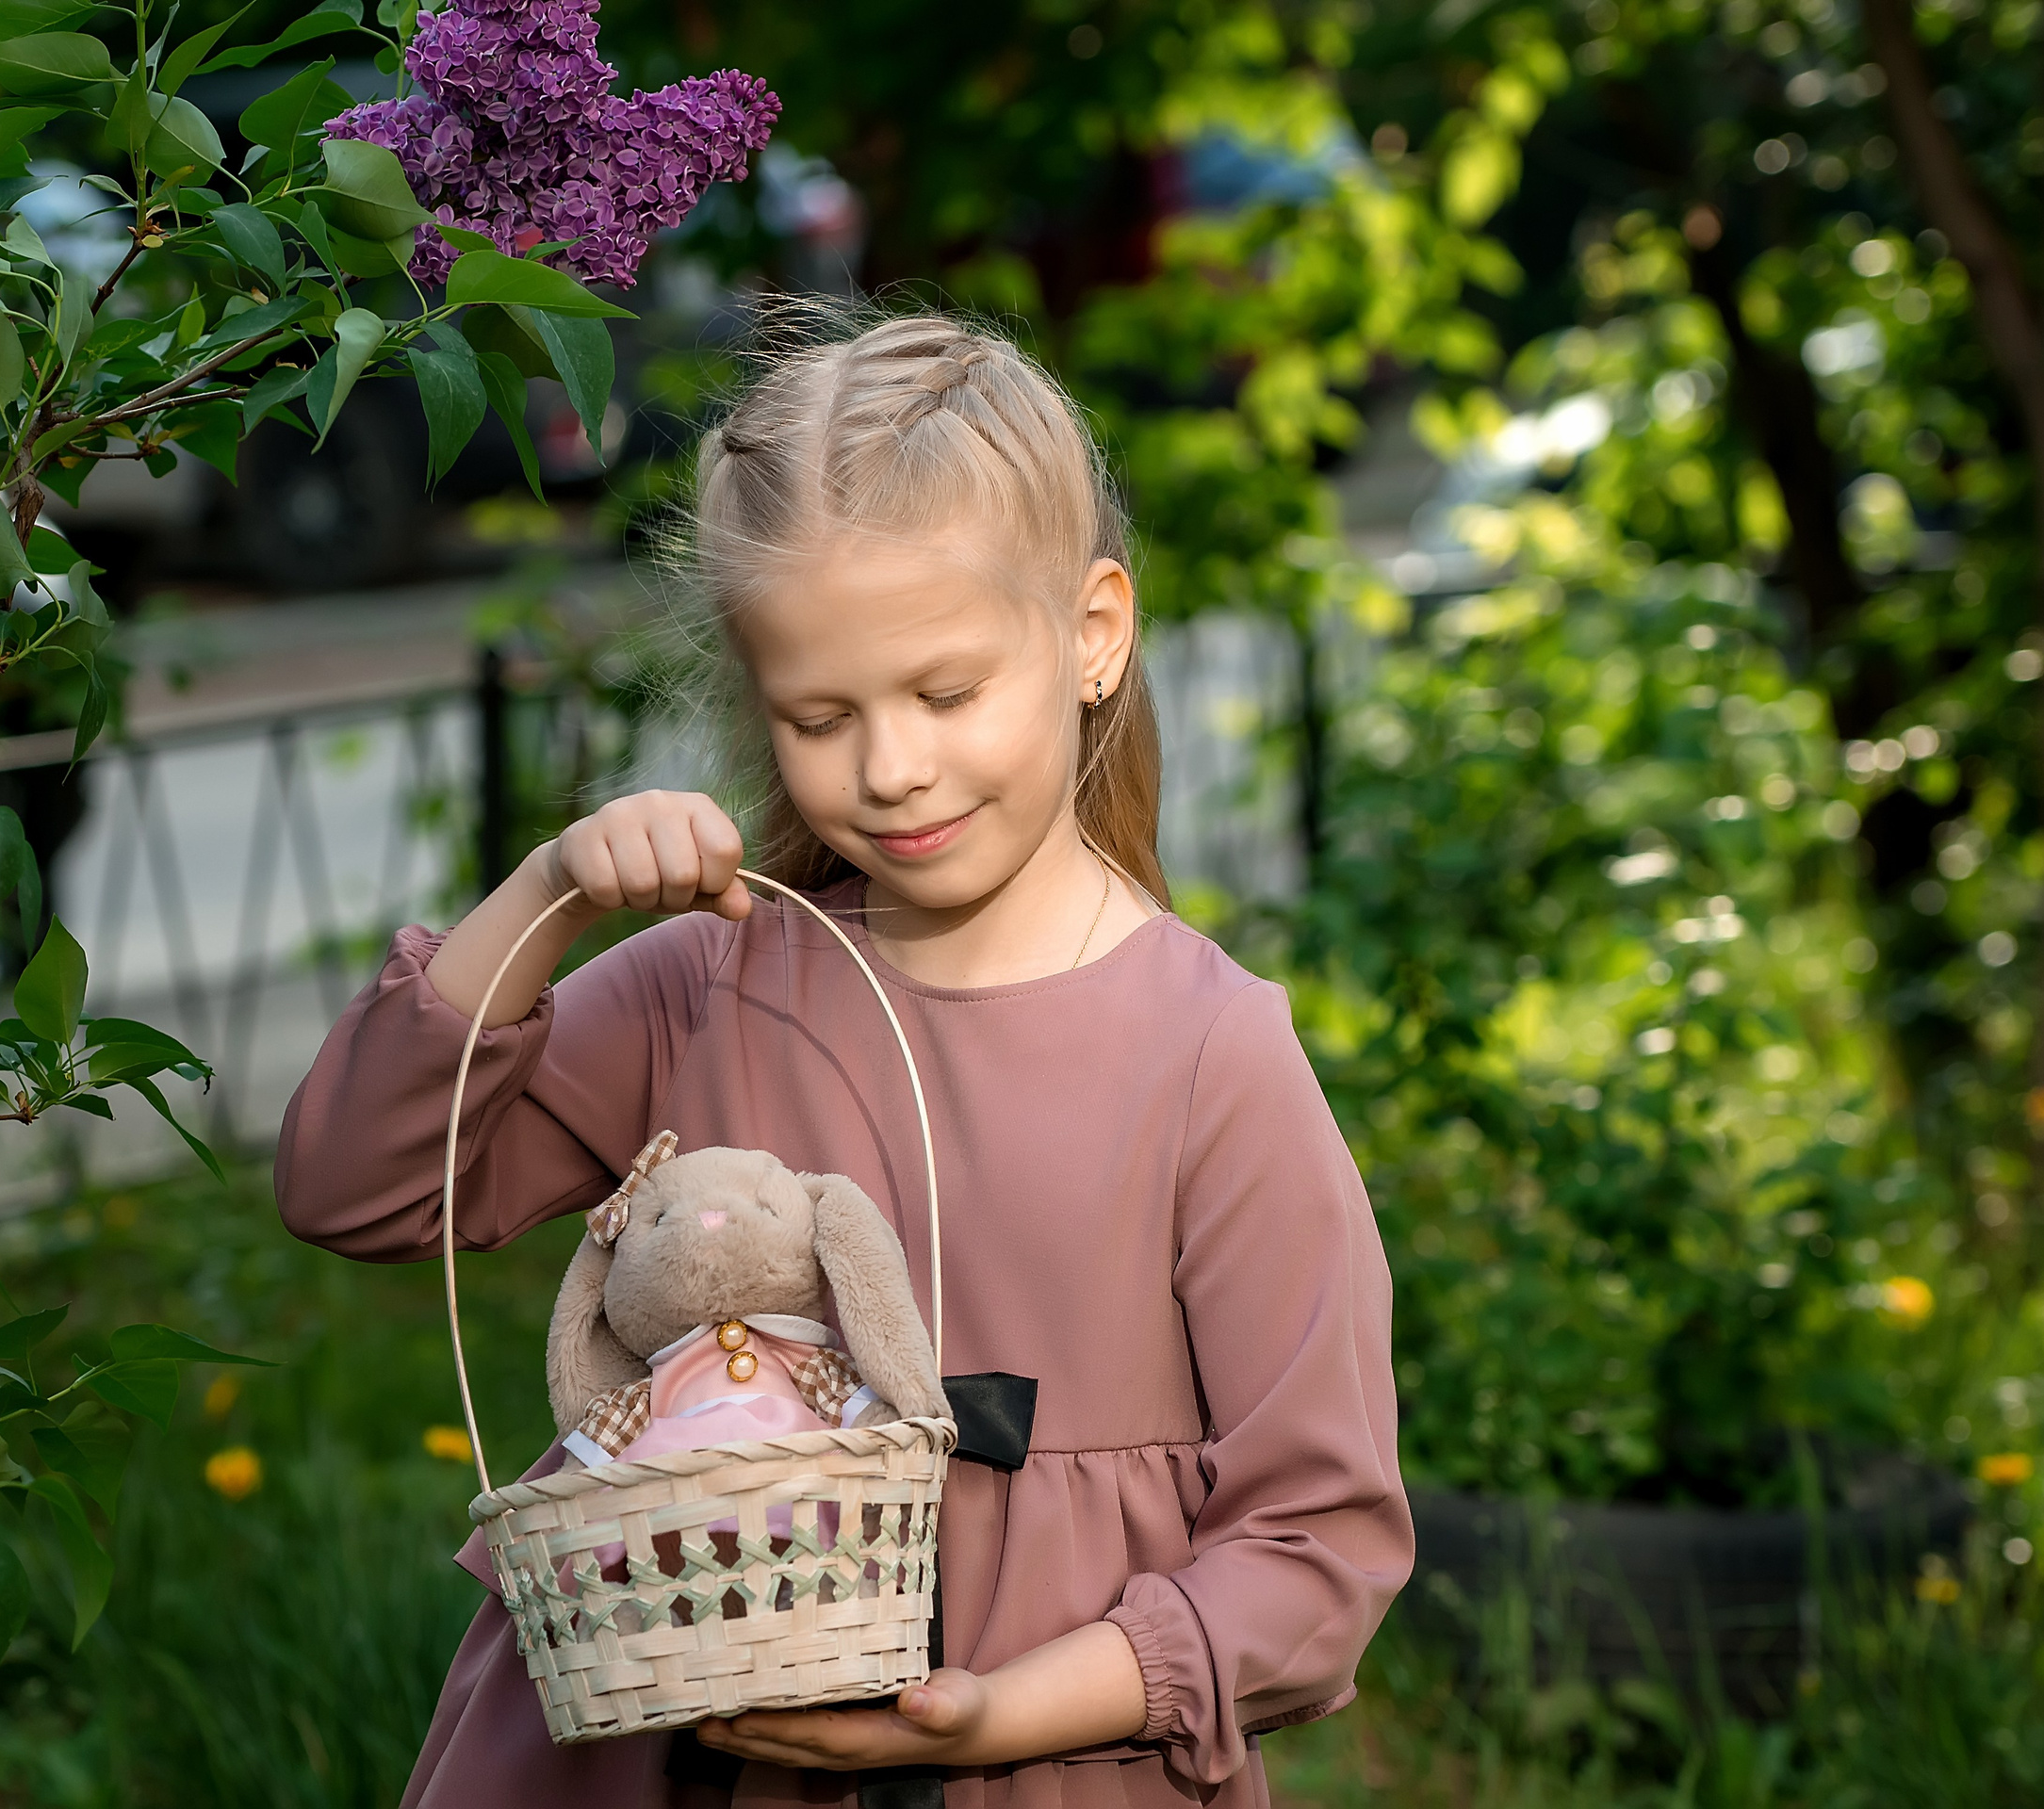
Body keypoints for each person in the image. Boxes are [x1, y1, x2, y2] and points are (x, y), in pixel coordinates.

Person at [275, 312, 1413, 1808]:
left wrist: (1001, 1713)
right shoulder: (714, 983)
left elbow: (1315, 1551)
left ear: (1093, 636)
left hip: (1057, 1764)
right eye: (821, 716)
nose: (890, 768)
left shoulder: (1208, 1055)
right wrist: (543, 898)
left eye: (946, 694)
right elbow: (357, 1193)